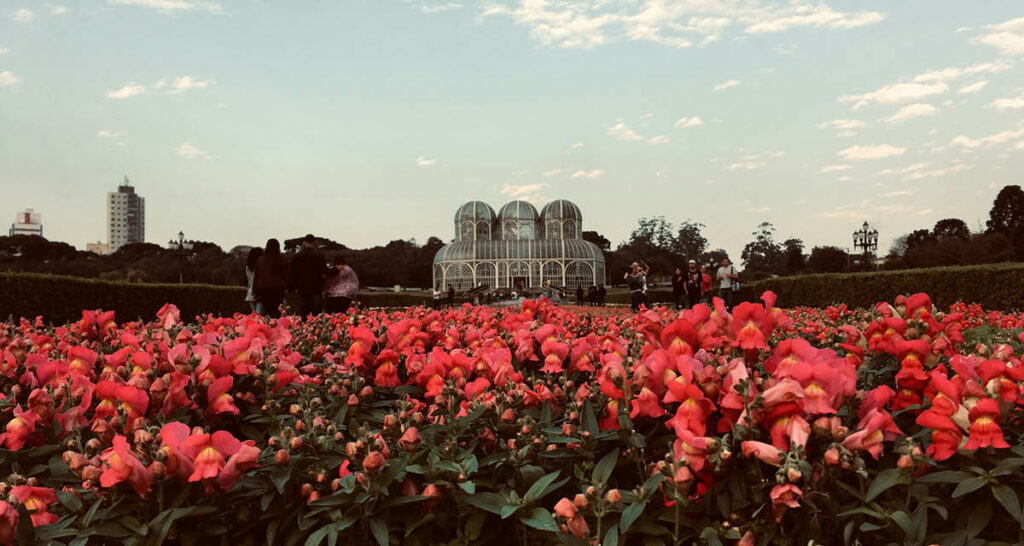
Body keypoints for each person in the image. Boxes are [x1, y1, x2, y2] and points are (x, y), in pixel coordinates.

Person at [291, 234, 328, 317]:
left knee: (303, 313)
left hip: (301, 288)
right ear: (314, 242)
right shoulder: (319, 256)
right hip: (316, 288)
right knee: (316, 314)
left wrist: (292, 289)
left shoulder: (296, 256)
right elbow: (325, 271)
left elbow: (292, 273)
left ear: (304, 242)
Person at [252, 238, 288, 319]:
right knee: (277, 312)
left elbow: (256, 276)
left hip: (263, 289)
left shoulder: (260, 259)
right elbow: (286, 273)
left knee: (267, 311)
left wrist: (254, 291)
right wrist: (290, 287)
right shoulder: (281, 258)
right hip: (278, 288)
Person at [244, 247, 263, 313]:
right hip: (259, 293)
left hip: (250, 293)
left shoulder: (247, 267)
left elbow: (248, 281)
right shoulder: (260, 266)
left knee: (254, 316)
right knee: (260, 317)